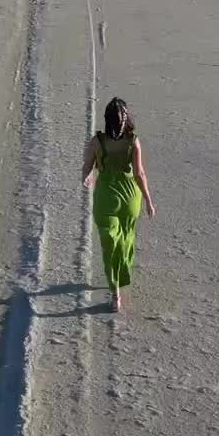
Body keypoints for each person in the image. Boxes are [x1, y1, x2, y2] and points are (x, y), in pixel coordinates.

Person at [82, 96, 156, 313]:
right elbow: (139, 173)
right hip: (118, 197)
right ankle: (117, 289)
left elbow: (139, 173)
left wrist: (149, 200)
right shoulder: (115, 141)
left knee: (117, 242)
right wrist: (86, 177)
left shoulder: (113, 141)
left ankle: (117, 286)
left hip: (117, 198)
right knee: (117, 240)